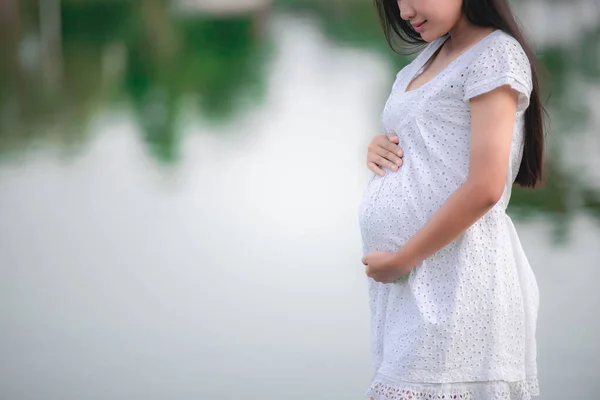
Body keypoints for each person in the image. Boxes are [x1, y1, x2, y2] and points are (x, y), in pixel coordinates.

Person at [357, 0, 545, 399]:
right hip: (414, 288)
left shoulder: (494, 53)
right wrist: (380, 147)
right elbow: (426, 142)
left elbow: (486, 186)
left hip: (457, 285)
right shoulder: (430, 55)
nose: (403, 11)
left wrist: (402, 259)